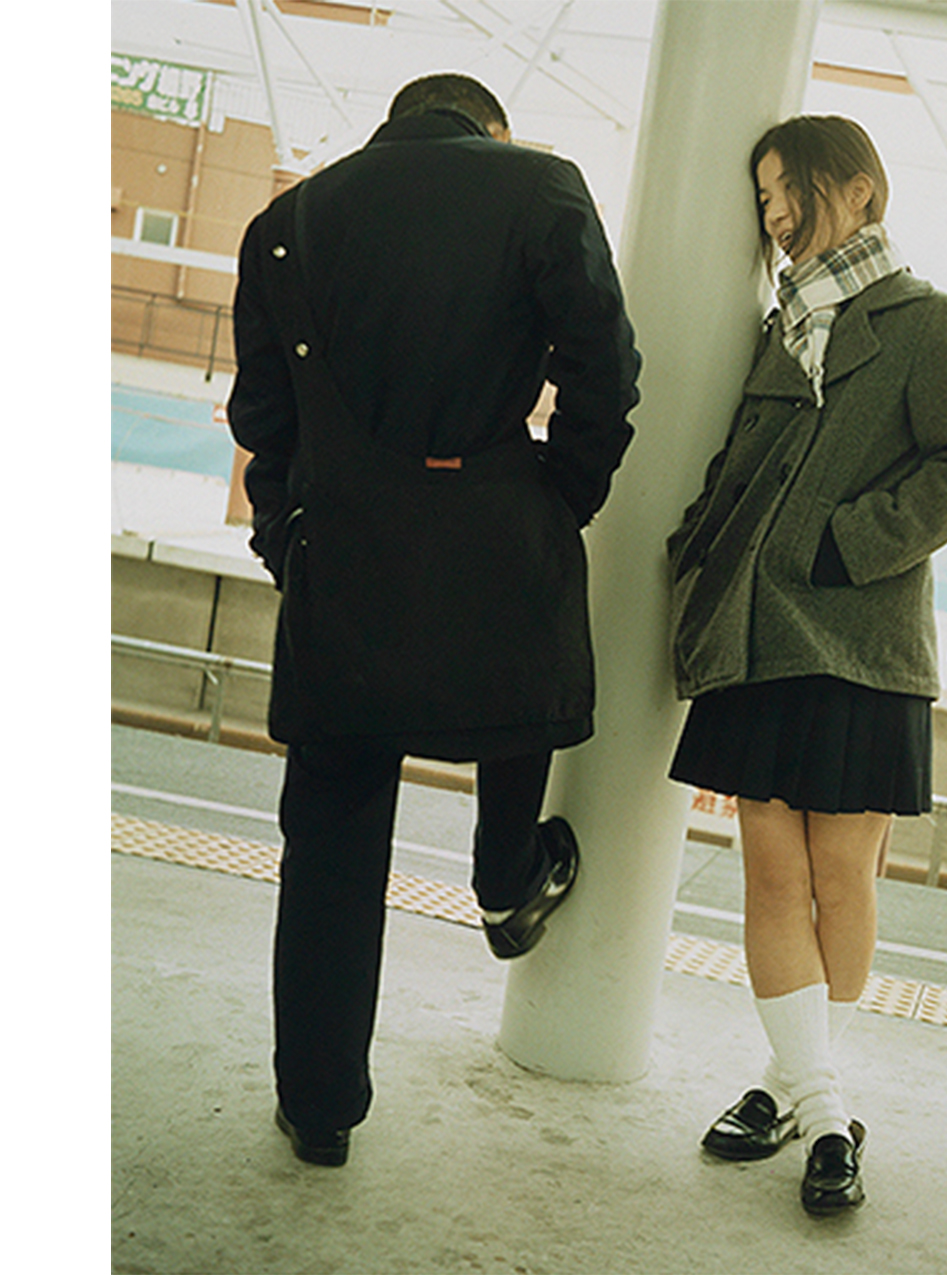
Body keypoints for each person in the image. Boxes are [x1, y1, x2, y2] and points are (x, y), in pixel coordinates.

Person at [227, 73, 640, 1167]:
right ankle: (506, 878)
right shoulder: (543, 189)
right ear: (490, 129)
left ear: (389, 125)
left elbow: (261, 418)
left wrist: (286, 535)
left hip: (347, 562)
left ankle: (319, 1110)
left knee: (332, 838)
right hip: (500, 543)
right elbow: (608, 369)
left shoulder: (290, 221)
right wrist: (564, 494)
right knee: (515, 710)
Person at [665, 115, 947, 1215]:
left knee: (840, 878)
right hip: (761, 636)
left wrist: (842, 543)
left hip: (861, 641)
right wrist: (694, 555)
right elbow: (734, 463)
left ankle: (791, 1093)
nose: (771, 216)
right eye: (764, 199)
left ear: (855, 191)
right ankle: (821, 1114)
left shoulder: (929, 322)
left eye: (787, 194)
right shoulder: (778, 327)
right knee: (770, 872)